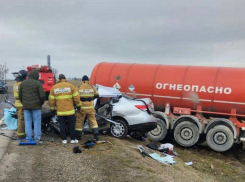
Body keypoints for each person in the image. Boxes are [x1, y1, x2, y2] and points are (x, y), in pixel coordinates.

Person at [49, 74, 81, 144]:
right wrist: (78, 106)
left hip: (60, 111)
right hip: (70, 111)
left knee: (62, 125)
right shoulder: (70, 86)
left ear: (59, 79)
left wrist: (52, 109)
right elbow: (77, 98)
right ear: (65, 79)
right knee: (71, 125)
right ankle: (73, 139)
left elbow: (51, 100)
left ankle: (64, 139)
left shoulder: (54, 87)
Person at [19, 69, 46, 142]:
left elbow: (20, 96)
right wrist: (41, 103)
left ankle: (28, 137)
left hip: (26, 107)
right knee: (37, 122)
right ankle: (37, 137)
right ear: (36, 76)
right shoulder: (38, 84)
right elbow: (42, 96)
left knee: (27, 122)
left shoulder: (22, 83)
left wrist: (24, 103)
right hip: (36, 107)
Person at [75, 75, 99, 141]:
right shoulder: (92, 87)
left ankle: (78, 136)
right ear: (88, 80)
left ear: (82, 81)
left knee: (79, 121)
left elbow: (75, 97)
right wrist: (91, 98)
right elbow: (97, 95)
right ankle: (96, 135)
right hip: (90, 108)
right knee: (93, 121)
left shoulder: (79, 87)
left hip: (82, 108)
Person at [12, 70, 28, 138]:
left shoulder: (16, 84)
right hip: (21, 103)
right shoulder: (22, 84)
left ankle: (20, 133)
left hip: (17, 103)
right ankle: (21, 135)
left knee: (19, 118)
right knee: (22, 119)